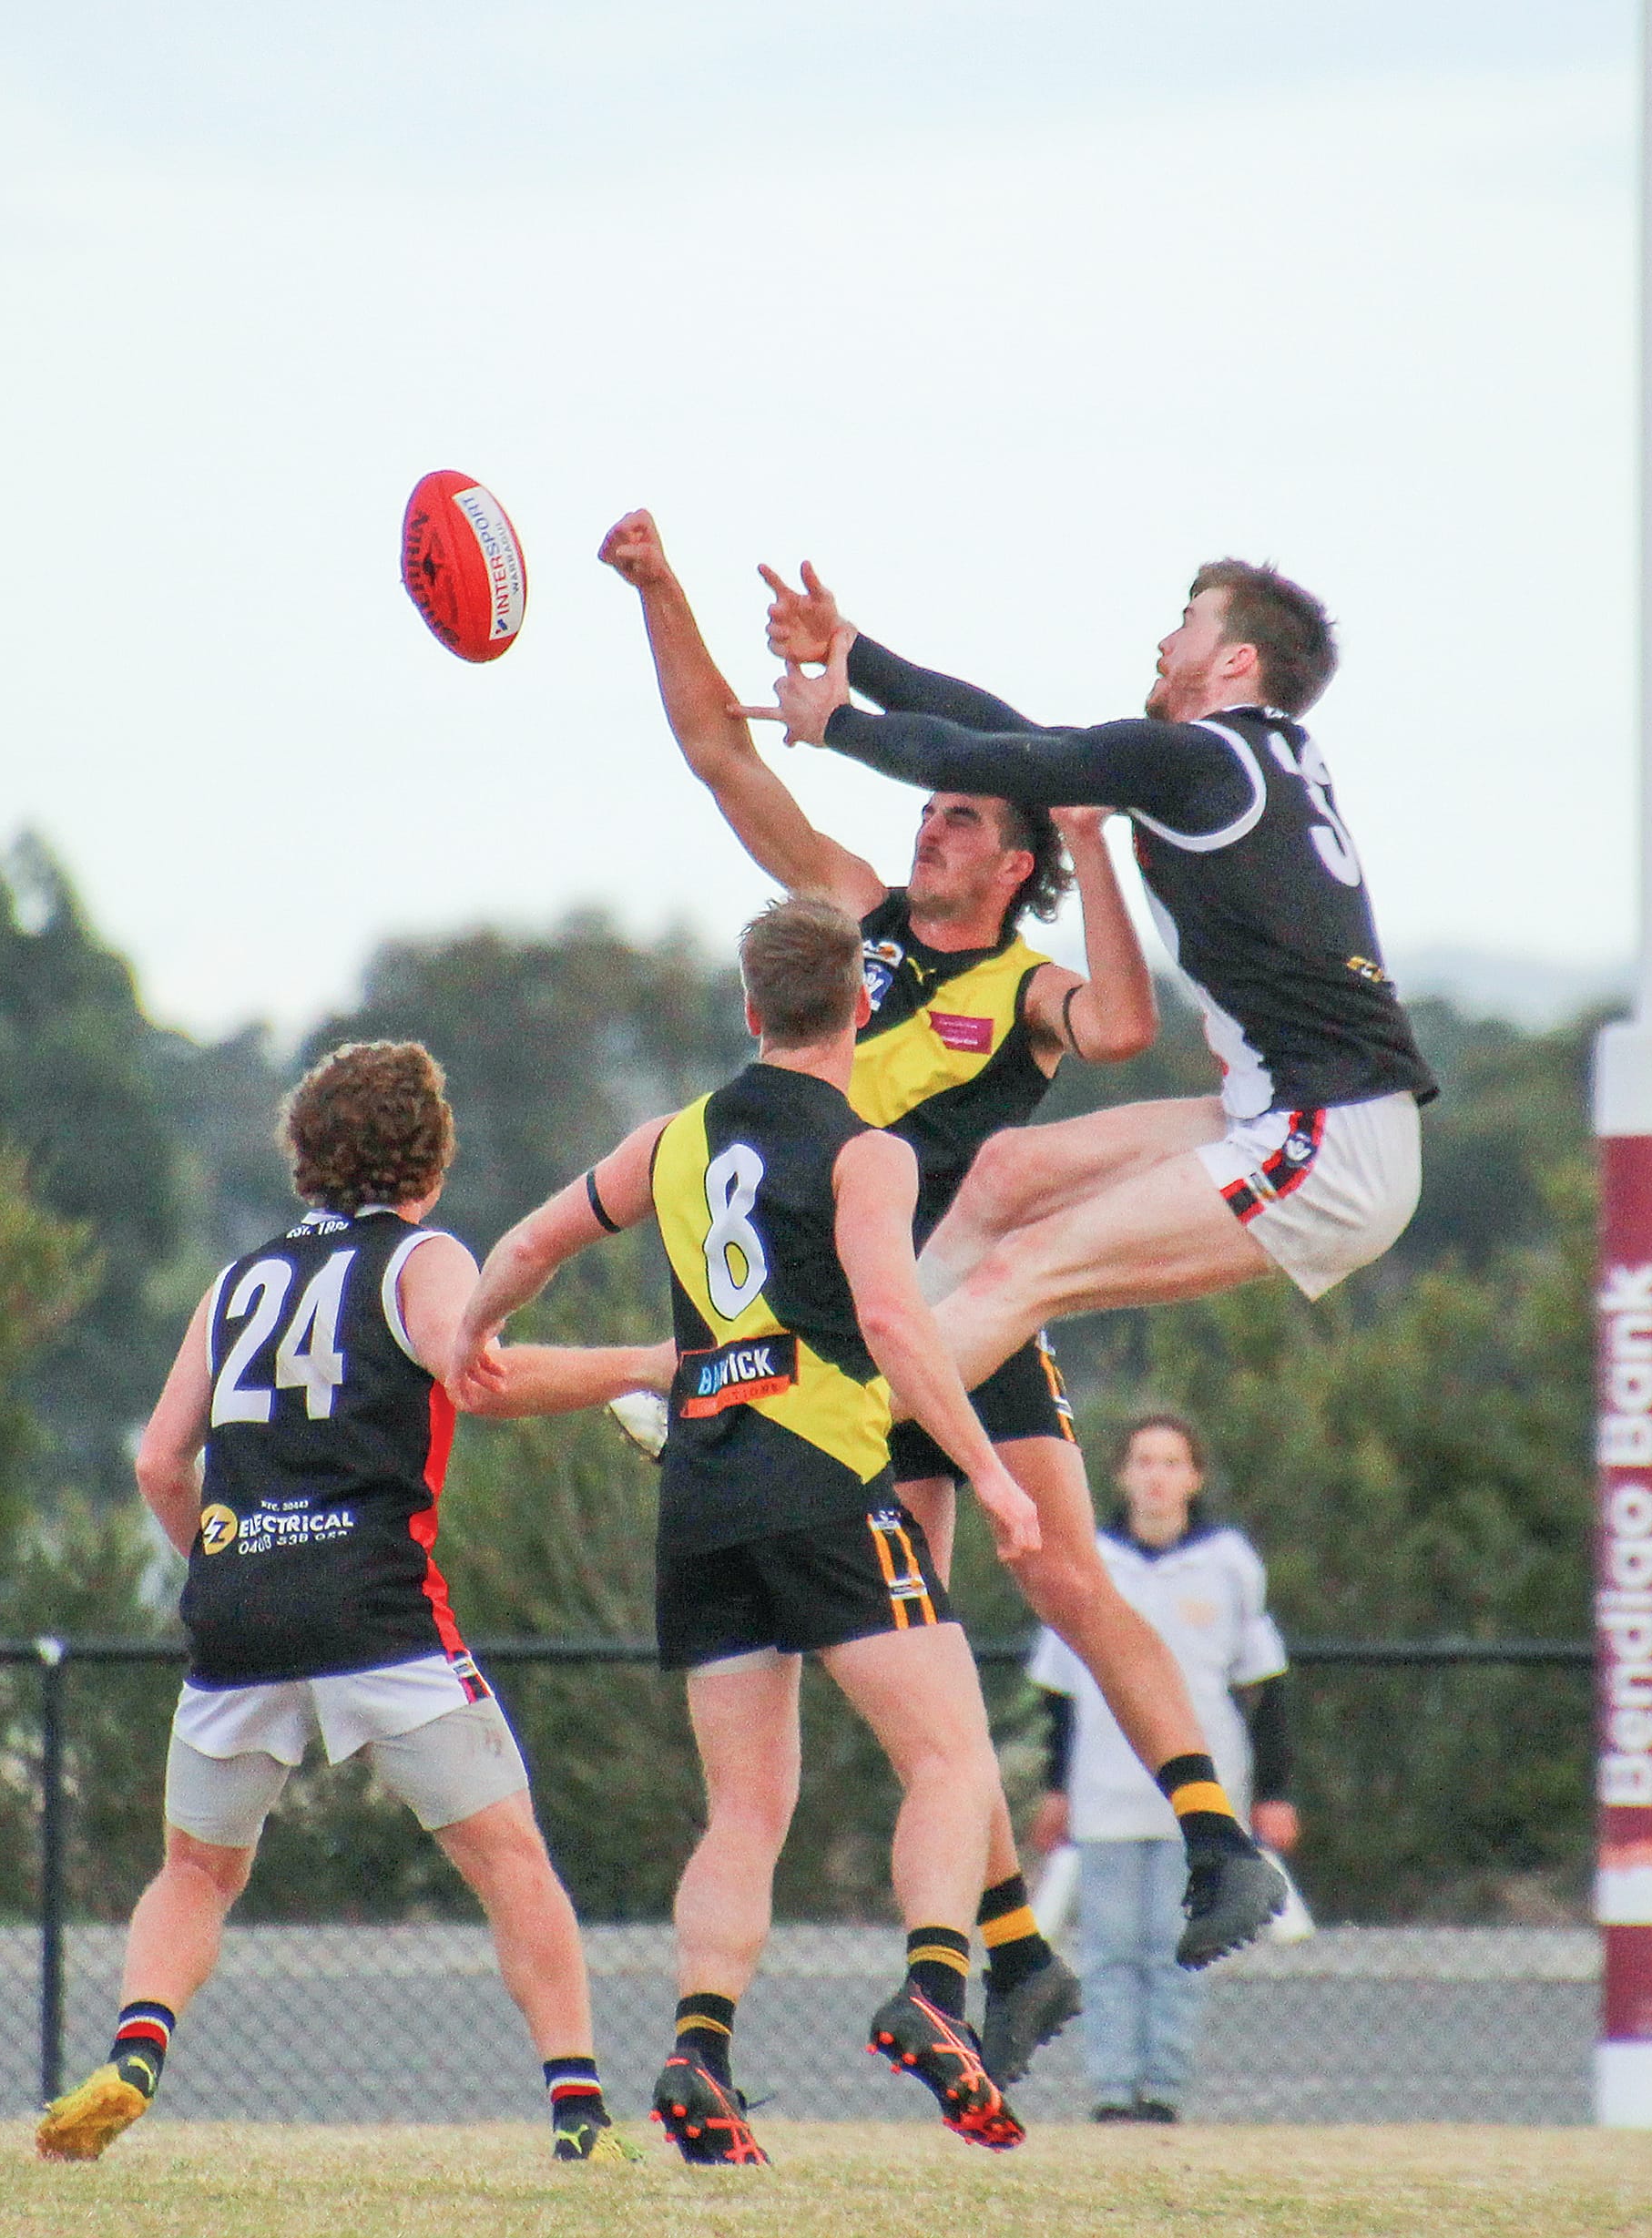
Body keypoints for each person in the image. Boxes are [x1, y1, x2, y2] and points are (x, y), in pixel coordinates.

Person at [598, 510, 1289, 2036]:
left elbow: (1119, 1027)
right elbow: (724, 757)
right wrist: (659, 589)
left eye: (971, 815)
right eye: (938, 811)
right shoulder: (860, 922)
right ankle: (1016, 1955)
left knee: (1056, 1564)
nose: (935, 827)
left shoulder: (1020, 982)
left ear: (1021, 852)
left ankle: (1217, 1840)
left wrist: (1094, 839)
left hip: (962, 1315)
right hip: (846, 1348)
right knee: (916, 1649)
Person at [449, 896, 1044, 2164]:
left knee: (745, 1807)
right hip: (820, 1471)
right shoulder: (865, 1150)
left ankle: (698, 2051)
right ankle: (937, 1993)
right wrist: (990, 1473)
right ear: (861, 1006)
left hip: (704, 1490)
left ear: (749, 1007)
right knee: (951, 1758)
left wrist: (471, 1335)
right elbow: (890, 1320)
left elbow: (531, 1241)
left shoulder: (668, 1141)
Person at [36, 1041, 667, 2165]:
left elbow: (159, 1467)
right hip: (374, 1609)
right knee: (510, 1861)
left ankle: (136, 2052)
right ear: (429, 1155)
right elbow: (482, 1374)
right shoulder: (422, 1257)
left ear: (305, 1157)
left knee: (194, 1871)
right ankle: (580, 2118)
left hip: (237, 1609)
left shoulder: (238, 1280)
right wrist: (651, 1363)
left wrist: (222, 1566)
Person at [739, 558, 1437, 1392]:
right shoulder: (1238, 759)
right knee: (1007, 1174)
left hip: (1328, 1142)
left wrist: (838, 724)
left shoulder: (1207, 763)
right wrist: (854, 652)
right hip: (1292, 1110)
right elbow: (1019, 747)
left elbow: (995, 757)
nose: (1164, 640)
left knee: (1027, 1267)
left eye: (1188, 621)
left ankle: (812, 1426)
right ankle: (853, 1365)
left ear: (1234, 660)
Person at [1029, 1414, 1299, 2123]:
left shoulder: (1230, 1562)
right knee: (1112, 1947)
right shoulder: (1087, 1557)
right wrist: (1056, 1788)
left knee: (1177, 1945)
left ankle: (1163, 2090)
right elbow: (1059, 1690)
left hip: (1201, 1795)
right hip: (1106, 1790)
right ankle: (1114, 2090)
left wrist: (1273, 1792)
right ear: (1121, 1474)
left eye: (1172, 1461)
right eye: (1143, 1461)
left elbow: (1263, 1685)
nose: (1156, 1475)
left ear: (1194, 1476)